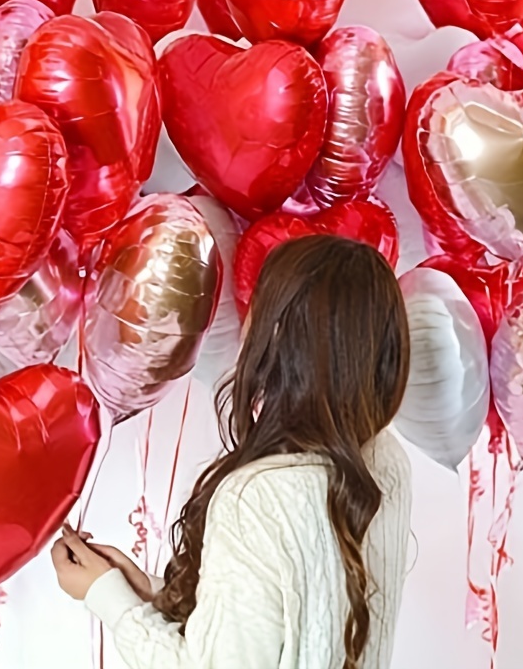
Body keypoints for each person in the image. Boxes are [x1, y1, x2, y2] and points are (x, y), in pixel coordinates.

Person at [52, 234, 413, 669]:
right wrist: (146, 592)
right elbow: (285, 624)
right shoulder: (385, 461)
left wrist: (105, 596)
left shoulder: (259, 497)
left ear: (279, 336)